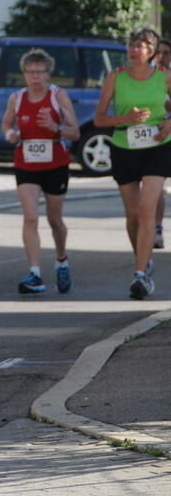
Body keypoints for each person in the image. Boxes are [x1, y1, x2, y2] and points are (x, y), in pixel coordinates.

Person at [93, 27, 171, 299]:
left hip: (157, 148)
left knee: (148, 208)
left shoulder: (164, 76)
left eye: (140, 45)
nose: (134, 49)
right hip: (124, 146)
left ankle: (140, 274)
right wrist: (126, 119)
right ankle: (143, 257)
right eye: (131, 44)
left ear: (151, 52)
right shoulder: (117, 76)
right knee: (133, 215)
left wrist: (169, 123)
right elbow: (99, 119)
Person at [1, 48, 79, 294]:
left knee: (54, 220)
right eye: (30, 72)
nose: (35, 77)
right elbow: (6, 123)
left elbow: (74, 132)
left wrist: (56, 127)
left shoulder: (58, 96)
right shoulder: (17, 98)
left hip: (55, 162)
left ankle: (61, 259)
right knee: (30, 217)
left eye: (40, 72)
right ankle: (34, 273)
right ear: (24, 74)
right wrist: (10, 134)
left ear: (48, 74)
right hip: (26, 163)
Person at [152, 37, 171, 249]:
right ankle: (156, 227)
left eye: (166, 53)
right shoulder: (146, 76)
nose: (162, 56)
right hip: (155, 137)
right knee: (155, 185)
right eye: (159, 52)